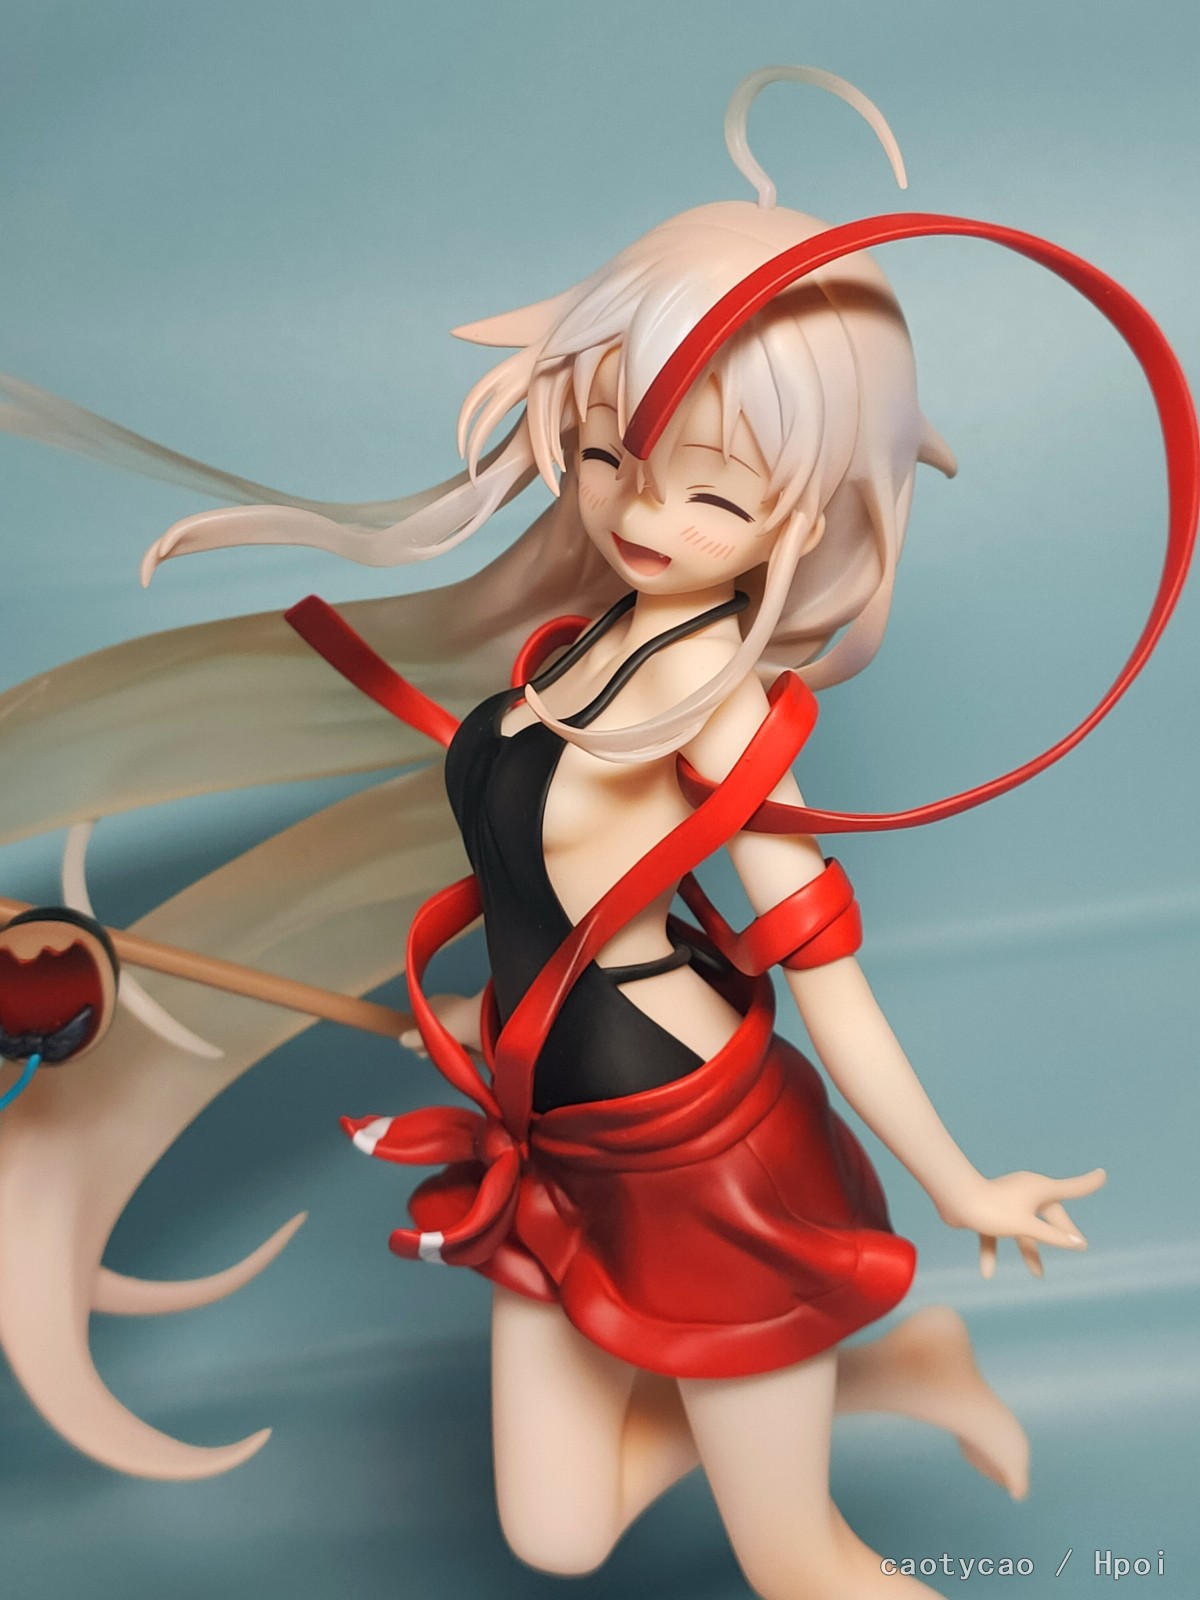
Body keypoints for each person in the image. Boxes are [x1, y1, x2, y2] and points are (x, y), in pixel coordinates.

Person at [0, 67, 1143, 1600]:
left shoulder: (725, 704)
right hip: (543, 1130)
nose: (643, 515)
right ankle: (889, 1373)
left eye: (714, 493)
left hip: (694, 1150)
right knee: (557, 1535)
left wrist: (958, 1182)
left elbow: (827, 972)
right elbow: (536, 888)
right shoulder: (572, 644)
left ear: (803, 517)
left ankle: (847, 1398)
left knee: (802, 1565)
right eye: (611, 460)